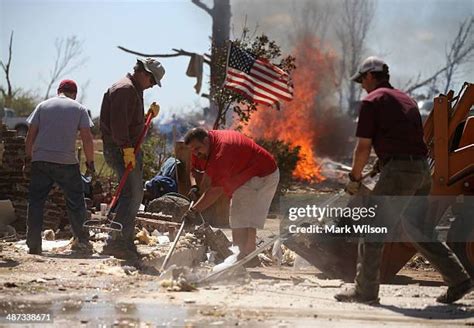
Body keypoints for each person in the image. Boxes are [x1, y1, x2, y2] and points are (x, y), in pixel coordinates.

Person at [335, 56, 472, 304]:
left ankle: (364, 291)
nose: (362, 85)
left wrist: (355, 177)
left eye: (362, 80)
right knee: (417, 230)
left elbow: (363, 147)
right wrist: (382, 163)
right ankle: (459, 279)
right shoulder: (405, 99)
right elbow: (404, 138)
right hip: (420, 171)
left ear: (369, 76)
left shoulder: (371, 101)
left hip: (400, 172)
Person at [100, 58, 164, 260]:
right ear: (144, 73)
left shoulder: (134, 90)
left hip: (127, 148)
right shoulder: (125, 89)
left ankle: (123, 240)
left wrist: (146, 116)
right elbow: (119, 124)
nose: (152, 86)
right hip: (121, 149)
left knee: (134, 194)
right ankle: (115, 242)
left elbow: (128, 120)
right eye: (152, 82)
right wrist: (126, 149)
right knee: (131, 194)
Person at [184, 128, 280, 263]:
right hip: (245, 173)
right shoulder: (201, 147)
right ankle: (248, 256)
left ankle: (241, 258)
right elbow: (193, 170)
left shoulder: (222, 151)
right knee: (244, 216)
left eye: (197, 149)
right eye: (192, 150)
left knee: (240, 216)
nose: (195, 153)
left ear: (206, 141)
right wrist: (194, 186)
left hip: (262, 174)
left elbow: (215, 191)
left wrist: (194, 211)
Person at [25, 79, 95, 255]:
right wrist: (90, 163)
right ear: (74, 94)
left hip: (41, 160)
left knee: (36, 202)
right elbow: (87, 138)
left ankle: (34, 244)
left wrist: (28, 159)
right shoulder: (79, 109)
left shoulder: (42, 106)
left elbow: (30, 134)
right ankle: (82, 241)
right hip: (66, 162)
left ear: (58, 91)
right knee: (76, 201)